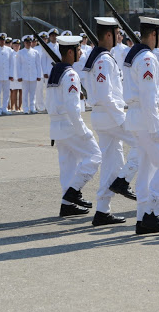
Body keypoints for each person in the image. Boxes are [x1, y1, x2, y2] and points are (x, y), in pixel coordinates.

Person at [123, 16, 159, 234]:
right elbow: (147, 97)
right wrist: (155, 128)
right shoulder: (147, 58)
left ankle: (141, 217)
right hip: (147, 119)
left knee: (147, 169)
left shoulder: (136, 54)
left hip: (138, 118)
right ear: (153, 34)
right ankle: (152, 214)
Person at [83, 17, 139, 227]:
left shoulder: (97, 56)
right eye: (117, 33)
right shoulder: (103, 59)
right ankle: (124, 181)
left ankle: (102, 210)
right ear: (108, 35)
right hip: (110, 116)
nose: (119, 37)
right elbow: (106, 95)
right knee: (143, 143)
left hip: (101, 116)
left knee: (111, 164)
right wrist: (122, 119)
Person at [46, 35, 101, 217]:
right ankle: (74, 191)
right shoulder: (70, 74)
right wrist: (82, 130)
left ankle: (66, 203)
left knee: (68, 165)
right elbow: (72, 106)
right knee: (94, 155)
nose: (81, 52)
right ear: (70, 52)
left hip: (57, 126)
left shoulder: (56, 71)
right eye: (78, 49)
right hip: (69, 125)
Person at [16, 35, 42, 114]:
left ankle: (32, 107)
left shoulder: (35, 52)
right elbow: (18, 65)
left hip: (33, 75)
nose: (28, 43)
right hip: (24, 76)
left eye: (30, 42)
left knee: (33, 93)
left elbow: (38, 64)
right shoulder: (20, 52)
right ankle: (25, 109)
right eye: (27, 42)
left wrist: (39, 75)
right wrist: (19, 76)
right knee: (25, 93)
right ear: (24, 43)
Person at [0, 33, 15, 115]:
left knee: (6, 93)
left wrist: (11, 74)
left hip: (7, 75)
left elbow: (11, 63)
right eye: (1, 39)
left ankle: (5, 108)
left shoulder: (9, 50)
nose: (2, 41)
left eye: (3, 40)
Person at [10, 39, 23, 112]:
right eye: (15, 45)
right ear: (12, 46)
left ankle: (20, 107)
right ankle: (15, 106)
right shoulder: (11, 54)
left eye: (18, 45)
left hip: (21, 76)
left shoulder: (22, 53)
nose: (17, 46)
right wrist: (10, 75)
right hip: (14, 76)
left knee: (21, 92)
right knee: (14, 91)